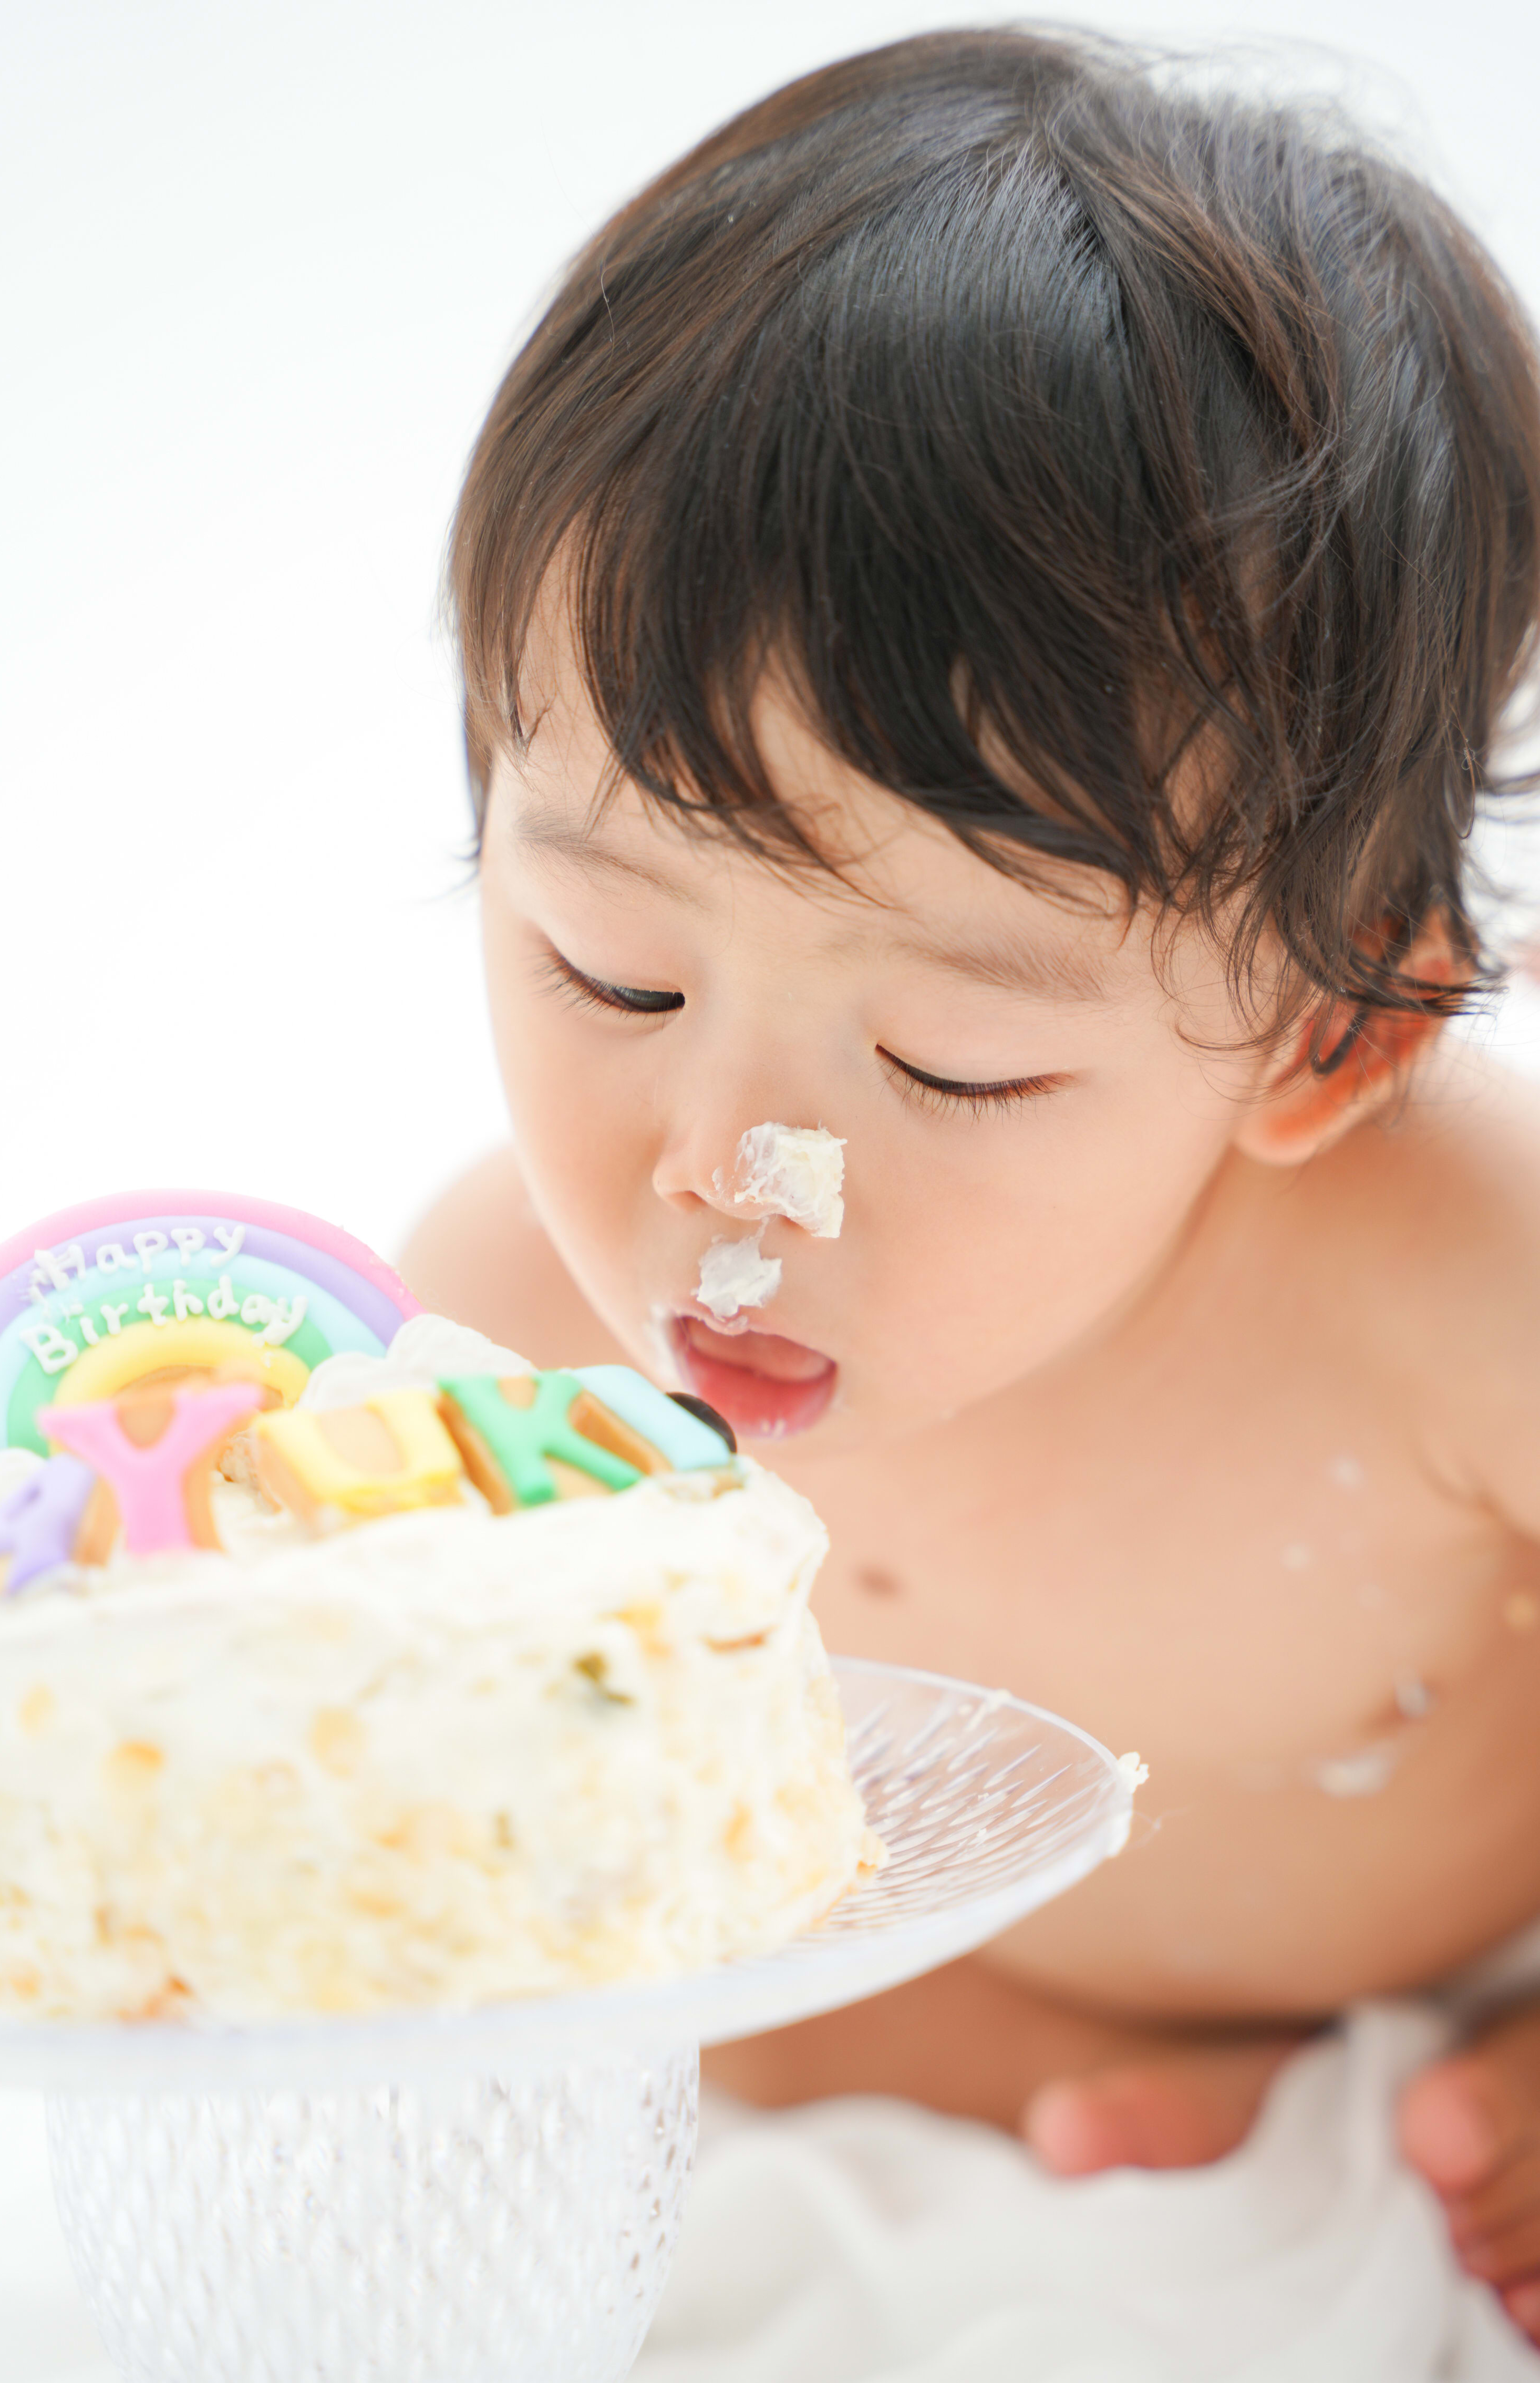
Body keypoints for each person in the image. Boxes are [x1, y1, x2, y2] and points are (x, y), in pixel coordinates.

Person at [403, 27, 1540, 2345]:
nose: (730, 1173)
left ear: (1328, 1039)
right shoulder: (510, 1349)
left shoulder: (1454, 1288)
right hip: (920, 2049)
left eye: (958, 1059)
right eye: (609, 972)